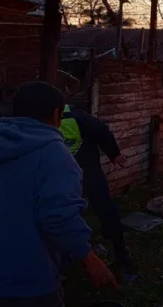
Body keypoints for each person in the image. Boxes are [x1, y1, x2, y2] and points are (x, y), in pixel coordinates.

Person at [0, 81, 117, 307]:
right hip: (30, 281)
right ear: (56, 114)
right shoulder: (53, 153)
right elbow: (58, 216)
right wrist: (90, 259)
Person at [55, 71, 135, 278]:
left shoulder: (38, 119)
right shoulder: (77, 115)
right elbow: (102, 131)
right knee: (106, 210)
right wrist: (114, 154)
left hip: (61, 179)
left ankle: (62, 263)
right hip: (89, 174)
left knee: (64, 217)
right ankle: (120, 253)